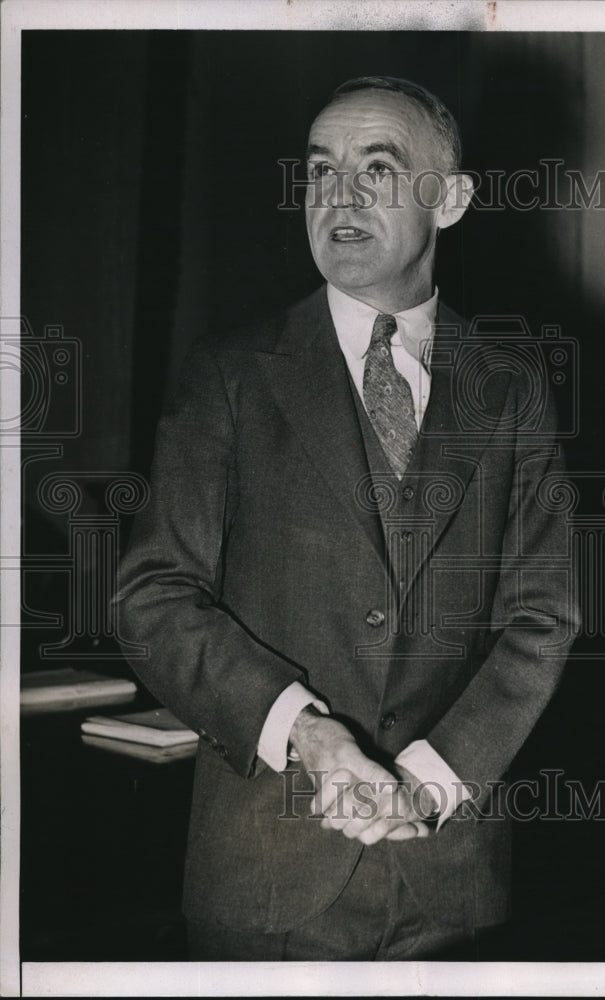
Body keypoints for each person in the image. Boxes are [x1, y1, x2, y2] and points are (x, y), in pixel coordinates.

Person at [116, 75, 579, 961]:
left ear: (450, 200)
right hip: (265, 883)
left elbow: (543, 615)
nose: (339, 194)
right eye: (321, 169)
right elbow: (154, 598)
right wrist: (309, 734)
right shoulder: (231, 375)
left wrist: (429, 783)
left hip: (451, 879)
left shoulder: (512, 386)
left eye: (378, 167)